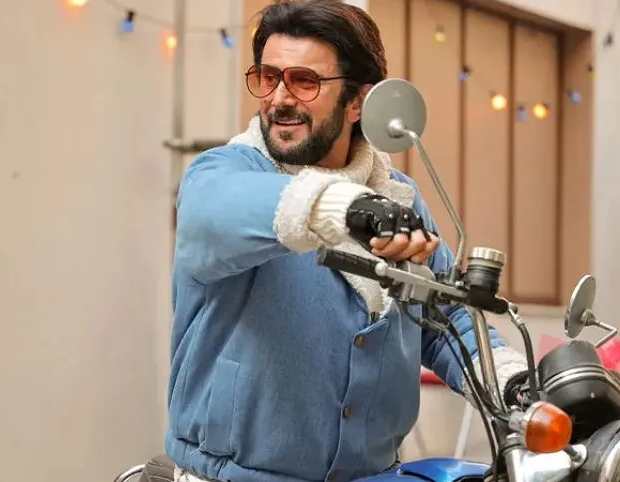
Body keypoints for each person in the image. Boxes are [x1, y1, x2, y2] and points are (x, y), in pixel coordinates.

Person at [166, 1, 527, 481]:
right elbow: (220, 210)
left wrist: (516, 386)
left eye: (304, 81)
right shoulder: (223, 172)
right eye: (268, 77)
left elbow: (445, 319)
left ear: (358, 102)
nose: (279, 98)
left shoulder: (396, 195)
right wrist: (352, 209)